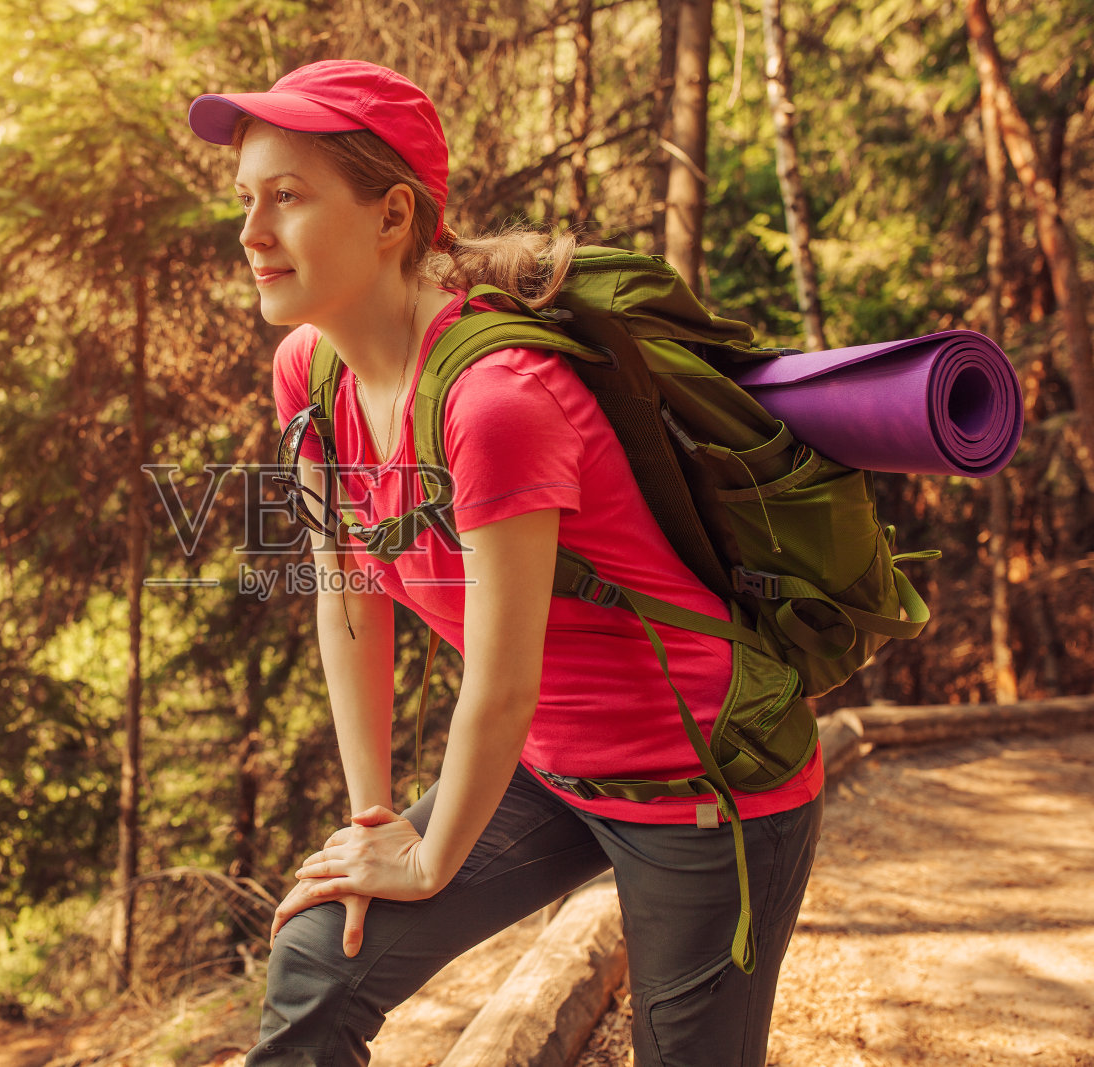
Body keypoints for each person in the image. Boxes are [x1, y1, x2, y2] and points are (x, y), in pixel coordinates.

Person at [186, 60, 823, 1067]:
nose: (251, 233)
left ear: (393, 214)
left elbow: (500, 676)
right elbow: (345, 593)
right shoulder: (308, 368)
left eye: (288, 197)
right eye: (245, 200)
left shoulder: (496, 401)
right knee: (318, 957)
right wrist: (372, 821)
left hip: (699, 778)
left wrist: (429, 857)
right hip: (544, 768)